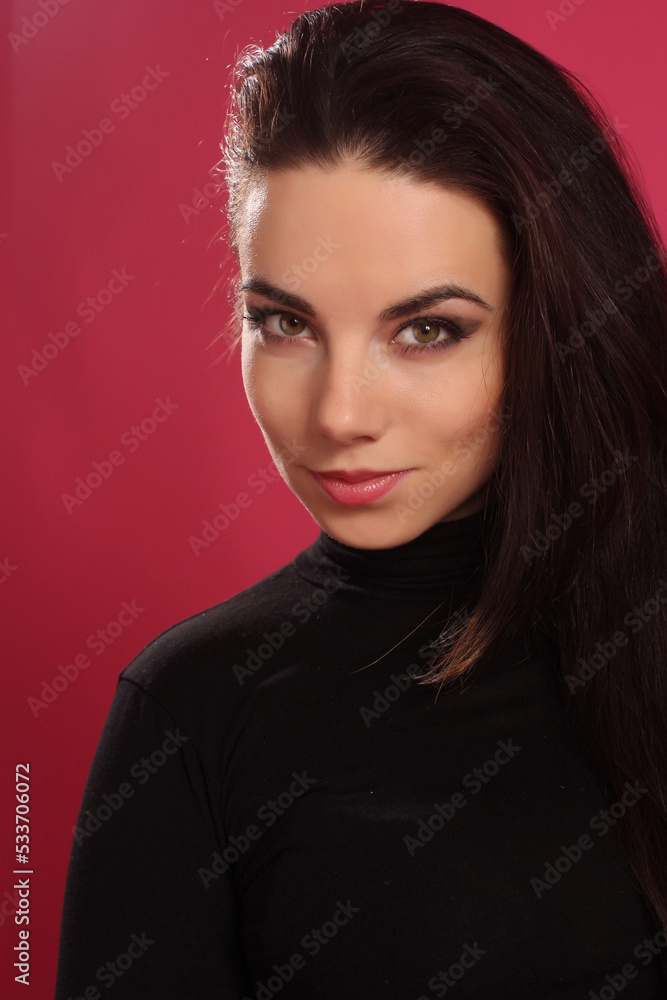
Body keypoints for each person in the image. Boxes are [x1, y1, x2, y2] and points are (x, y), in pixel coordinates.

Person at [55, 2, 667, 996]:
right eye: (285, 322)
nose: (338, 414)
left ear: (559, 324)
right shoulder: (194, 713)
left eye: (425, 330)